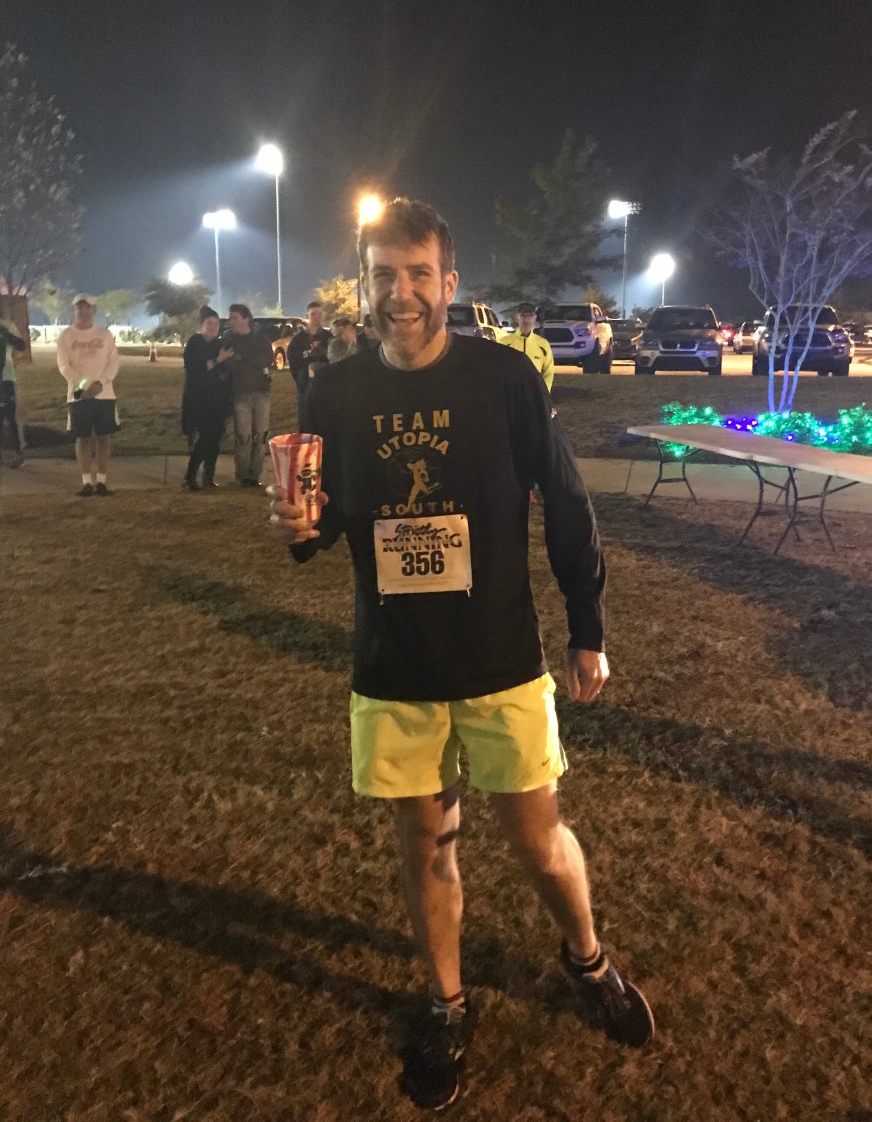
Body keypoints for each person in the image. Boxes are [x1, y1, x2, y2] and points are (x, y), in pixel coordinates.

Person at [268, 198, 653, 1112]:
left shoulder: (504, 378)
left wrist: (587, 626)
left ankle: (588, 961)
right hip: (395, 665)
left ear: (448, 283)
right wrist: (297, 526)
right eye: (383, 276)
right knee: (425, 843)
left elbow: (566, 501)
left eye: (417, 275)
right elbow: (322, 525)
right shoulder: (334, 392)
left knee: (538, 840)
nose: (400, 294)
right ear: (364, 286)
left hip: (500, 660)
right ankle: (446, 1004)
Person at [56, 295, 120, 496]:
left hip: (104, 394)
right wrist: (84, 384)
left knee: (103, 438)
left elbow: (113, 362)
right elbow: (64, 365)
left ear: (94, 310)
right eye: (79, 307)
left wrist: (101, 383)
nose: (83, 311)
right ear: (74, 310)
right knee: (82, 438)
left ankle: (101, 482)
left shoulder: (105, 335)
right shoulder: (66, 336)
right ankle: (86, 482)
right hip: (79, 395)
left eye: (87, 307)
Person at [181, 306, 233, 490]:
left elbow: (224, 371)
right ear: (201, 325)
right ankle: (190, 477)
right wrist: (219, 360)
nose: (213, 327)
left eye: (216, 323)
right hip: (198, 399)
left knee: (215, 439)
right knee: (204, 438)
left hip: (217, 400)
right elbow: (196, 369)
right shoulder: (195, 342)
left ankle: (208, 476)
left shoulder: (219, 344)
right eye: (209, 323)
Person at [221, 303, 274, 488]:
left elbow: (268, 359)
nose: (231, 321)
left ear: (246, 318)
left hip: (261, 393)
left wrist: (241, 359)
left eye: (235, 317)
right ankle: (242, 475)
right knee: (243, 437)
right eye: (230, 317)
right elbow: (229, 365)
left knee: (260, 436)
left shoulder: (260, 339)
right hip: (240, 394)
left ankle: (255, 475)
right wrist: (250, 362)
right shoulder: (229, 340)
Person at [287, 300, 331, 431]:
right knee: (306, 422)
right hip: (305, 387)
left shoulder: (328, 337)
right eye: (313, 314)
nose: (317, 316)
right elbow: (293, 362)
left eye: (320, 313)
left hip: (325, 387)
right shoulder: (298, 339)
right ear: (307, 316)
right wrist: (300, 378)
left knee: (325, 422)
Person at [500, 303, 555, 390]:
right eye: (523, 316)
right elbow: (498, 370)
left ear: (535, 318)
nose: (526, 320)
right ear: (517, 318)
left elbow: (549, 372)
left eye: (530, 316)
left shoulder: (543, 344)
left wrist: (544, 393)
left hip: (534, 392)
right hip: (511, 392)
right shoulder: (504, 343)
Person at [0, 311, 26, 468]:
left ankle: (19, 453)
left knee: (10, 417)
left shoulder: (7, 326)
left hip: (6, 378)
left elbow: (21, 345)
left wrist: (5, 333)